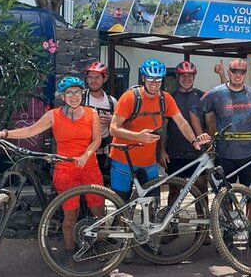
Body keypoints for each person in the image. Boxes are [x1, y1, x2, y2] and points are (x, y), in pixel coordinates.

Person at [0, 76, 105, 258]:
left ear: (83, 93)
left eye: (77, 92)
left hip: (90, 167)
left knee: (98, 209)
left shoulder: (92, 114)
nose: (74, 96)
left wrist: (86, 154)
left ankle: (100, 246)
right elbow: (30, 130)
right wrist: (4, 133)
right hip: (65, 169)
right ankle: (70, 254)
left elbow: (97, 140)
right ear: (63, 96)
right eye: (69, 93)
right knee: (71, 214)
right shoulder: (54, 115)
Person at [192, 58, 251, 252]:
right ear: (230, 71)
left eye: (241, 72)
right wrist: (201, 135)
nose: (238, 75)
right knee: (225, 197)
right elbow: (194, 111)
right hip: (224, 155)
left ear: (245, 74)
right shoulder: (216, 93)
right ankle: (227, 234)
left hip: (250, 153)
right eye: (234, 71)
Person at [108, 58, 209, 201]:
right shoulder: (130, 98)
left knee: (153, 203)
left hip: (149, 162)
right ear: (143, 78)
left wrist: (194, 141)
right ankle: (119, 224)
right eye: (150, 79)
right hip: (123, 160)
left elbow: (182, 123)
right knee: (120, 202)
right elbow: (113, 129)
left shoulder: (165, 98)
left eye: (158, 80)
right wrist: (138, 137)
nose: (155, 84)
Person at [157, 60, 212, 245]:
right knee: (174, 192)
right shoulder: (169, 98)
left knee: (201, 192)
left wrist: (210, 143)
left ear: (194, 77)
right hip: (175, 152)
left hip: (197, 154)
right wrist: (162, 150)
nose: (186, 78)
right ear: (178, 77)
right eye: (183, 75)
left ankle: (202, 229)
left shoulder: (203, 96)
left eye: (190, 75)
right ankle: (171, 227)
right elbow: (164, 127)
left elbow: (210, 122)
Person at [82, 61, 117, 183]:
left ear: (105, 79)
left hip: (104, 152)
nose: (93, 81)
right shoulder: (80, 98)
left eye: (97, 77)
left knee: (100, 187)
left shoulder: (111, 102)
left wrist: (112, 121)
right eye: (90, 77)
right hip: (83, 150)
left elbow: (120, 126)